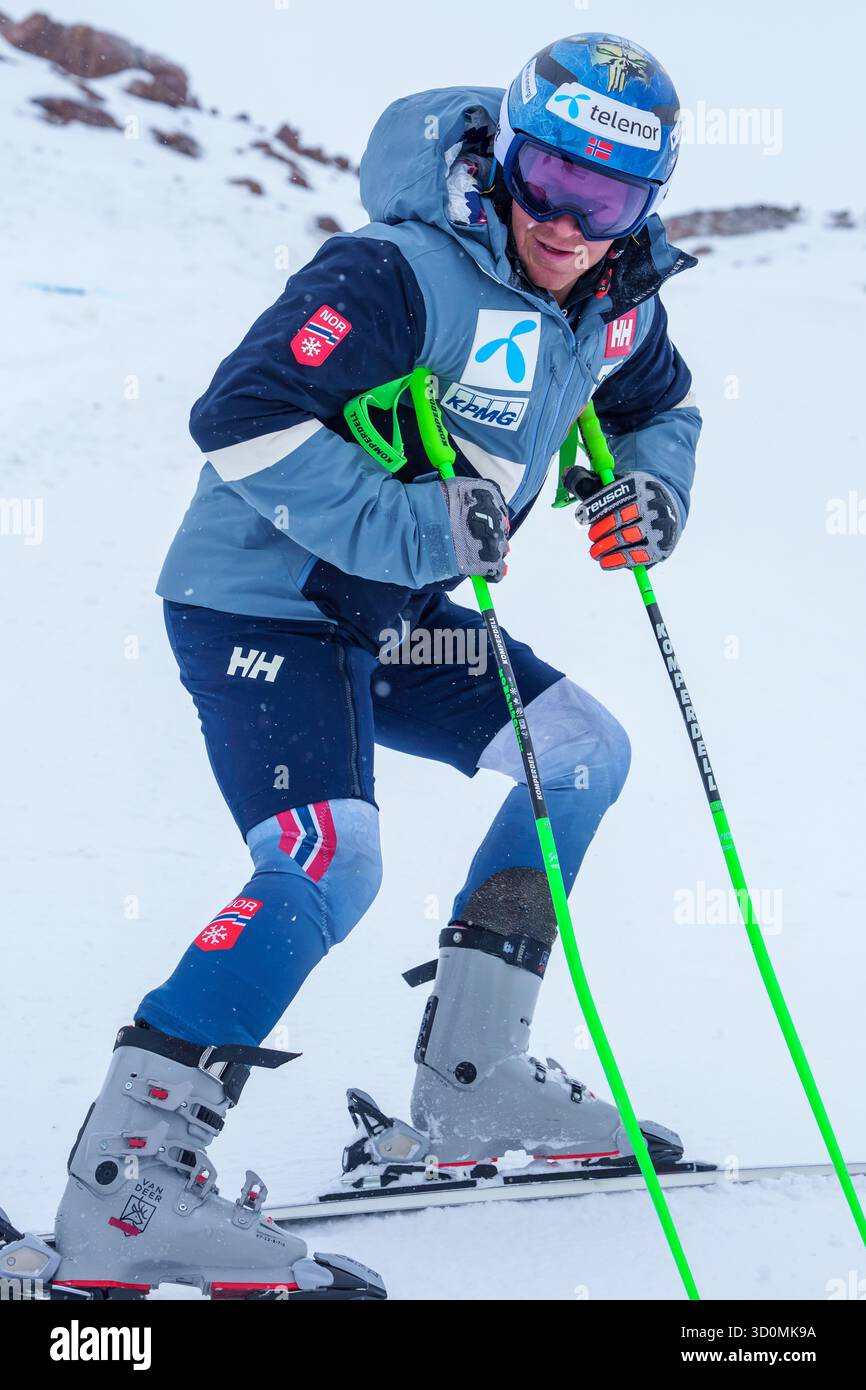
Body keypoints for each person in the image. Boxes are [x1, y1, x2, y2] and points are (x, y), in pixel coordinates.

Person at [53, 32, 700, 1298]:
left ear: (645, 203)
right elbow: (240, 416)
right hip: (264, 602)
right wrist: (421, 525)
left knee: (578, 750)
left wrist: (650, 497)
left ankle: (471, 1080)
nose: (566, 220)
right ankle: (126, 1192)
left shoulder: (615, 301)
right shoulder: (397, 271)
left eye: (607, 197)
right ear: (500, 150)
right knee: (322, 857)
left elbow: (653, 407)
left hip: (396, 610)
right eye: (547, 177)